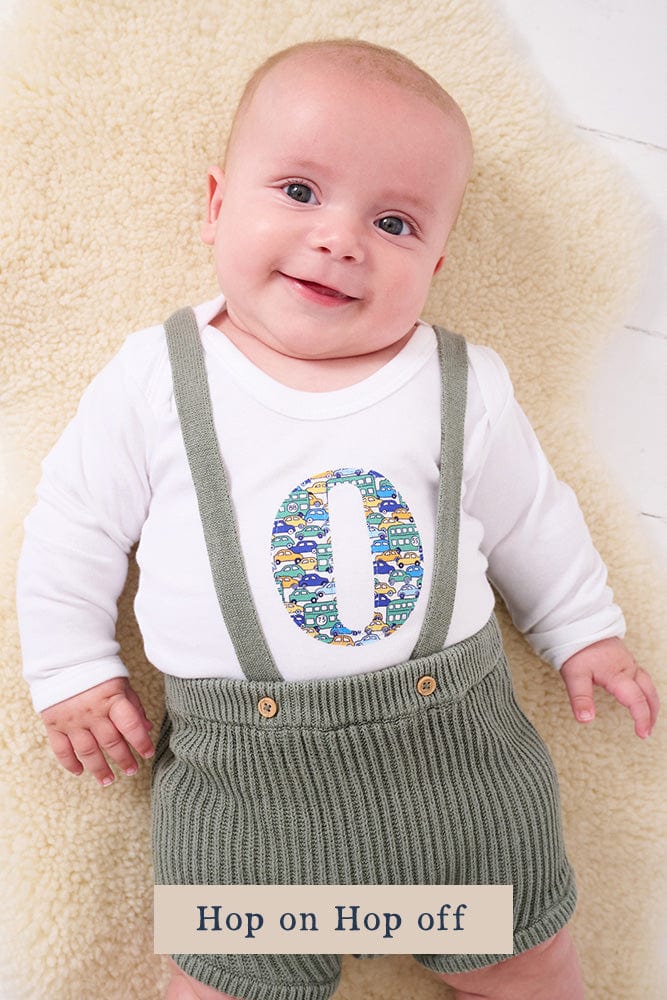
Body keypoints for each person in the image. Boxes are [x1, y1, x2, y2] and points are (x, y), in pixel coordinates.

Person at [16, 37, 659, 1000]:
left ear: (436, 261)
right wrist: (72, 669)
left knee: (529, 967)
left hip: (460, 782)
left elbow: (532, 519)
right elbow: (73, 525)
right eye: (299, 192)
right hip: (241, 803)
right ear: (215, 206)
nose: (340, 239)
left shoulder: (458, 384)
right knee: (217, 982)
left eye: (393, 222)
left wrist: (583, 629)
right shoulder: (156, 377)